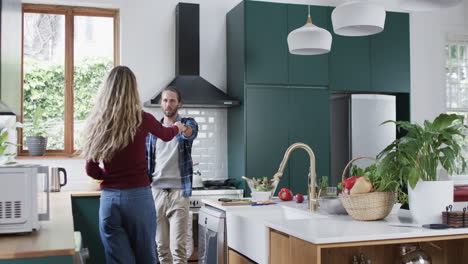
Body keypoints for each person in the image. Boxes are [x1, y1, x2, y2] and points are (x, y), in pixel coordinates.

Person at [82, 66, 185, 264]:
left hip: (109, 201)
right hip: (138, 197)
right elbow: (165, 134)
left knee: (118, 258)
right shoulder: (142, 118)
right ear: (133, 90)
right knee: (145, 255)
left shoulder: (98, 122)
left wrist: (111, 175)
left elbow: (91, 169)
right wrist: (177, 127)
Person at [146, 86, 198, 264]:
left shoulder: (187, 123)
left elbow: (191, 134)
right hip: (156, 192)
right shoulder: (153, 129)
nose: (168, 104)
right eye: (165, 100)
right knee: (161, 247)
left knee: (178, 248)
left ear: (179, 103)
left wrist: (181, 129)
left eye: (172, 100)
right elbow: (147, 160)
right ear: (161, 103)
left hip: (178, 192)